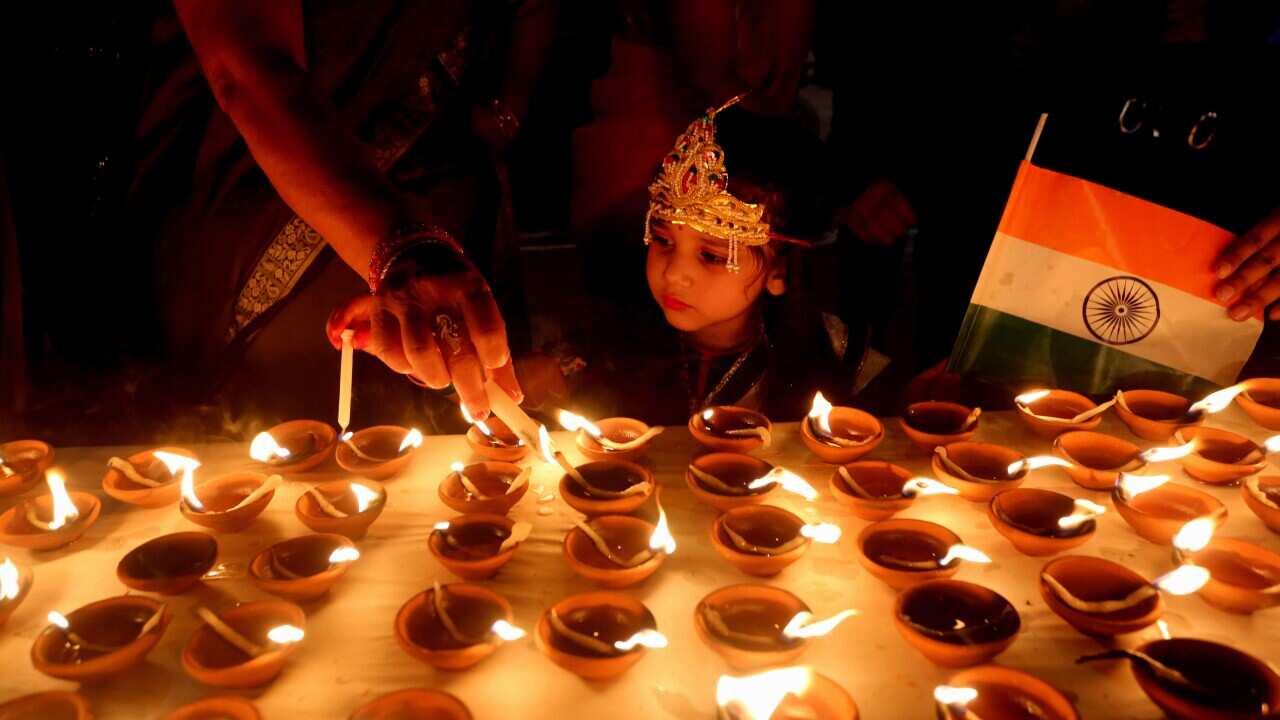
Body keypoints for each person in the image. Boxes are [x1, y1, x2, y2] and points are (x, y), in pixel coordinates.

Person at [118, 0, 560, 438]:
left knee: (467, 439)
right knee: (294, 448)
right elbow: (247, 66)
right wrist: (398, 247)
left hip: (446, 210)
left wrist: (508, 105)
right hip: (281, 205)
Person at [564, 97, 869, 424]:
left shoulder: (835, 350)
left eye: (711, 255)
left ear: (778, 268)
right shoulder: (610, 344)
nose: (675, 273)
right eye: (664, 240)